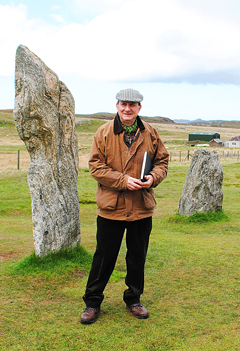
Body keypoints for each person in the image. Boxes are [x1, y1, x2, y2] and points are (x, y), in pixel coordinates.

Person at [80, 88, 169, 324]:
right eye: (123, 104)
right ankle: (92, 303)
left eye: (132, 104)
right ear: (117, 106)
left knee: (137, 257)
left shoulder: (150, 133)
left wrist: (153, 178)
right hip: (111, 208)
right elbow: (95, 167)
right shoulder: (103, 133)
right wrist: (122, 181)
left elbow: (162, 161)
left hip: (141, 207)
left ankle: (134, 300)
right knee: (104, 258)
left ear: (140, 108)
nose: (127, 108)